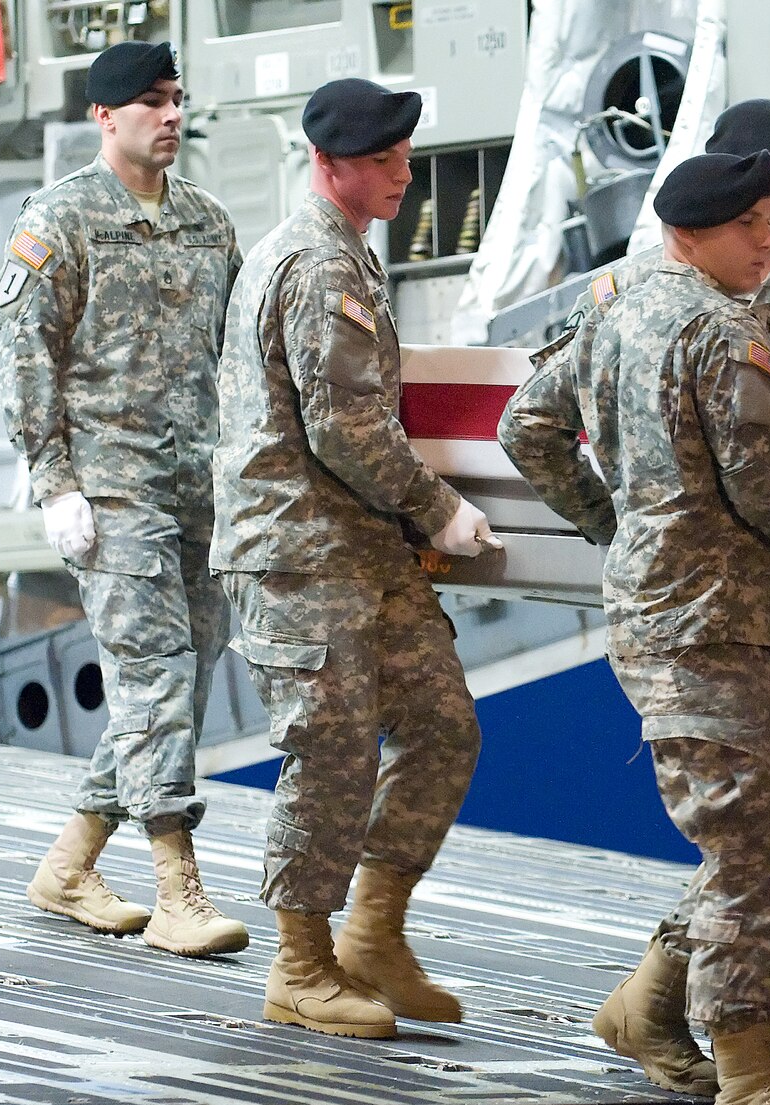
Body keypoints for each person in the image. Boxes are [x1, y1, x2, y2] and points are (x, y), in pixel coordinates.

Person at [510, 149, 770, 1105]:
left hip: (696, 612)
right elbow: (766, 479)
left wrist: (614, 522)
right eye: (750, 228)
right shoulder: (720, 331)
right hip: (709, 620)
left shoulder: (619, 308)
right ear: (692, 234)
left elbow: (526, 426)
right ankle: (746, 1087)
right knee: (755, 848)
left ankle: (648, 1006)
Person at [213, 78, 500, 1039]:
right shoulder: (317, 266)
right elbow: (343, 428)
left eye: (403, 157)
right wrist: (440, 509)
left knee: (444, 724)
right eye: (383, 161)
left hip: (358, 547)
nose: (403, 174)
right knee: (329, 750)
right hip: (297, 551)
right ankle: (299, 964)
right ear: (327, 165)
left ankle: (374, 931)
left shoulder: (351, 259)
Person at [0, 40, 247, 958]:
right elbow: (25, 358)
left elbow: (232, 356)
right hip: (112, 490)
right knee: (152, 671)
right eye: (149, 102)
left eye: (177, 99)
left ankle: (70, 864)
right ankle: (177, 887)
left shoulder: (209, 223)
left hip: (199, 490)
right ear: (105, 116)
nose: (171, 115)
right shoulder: (60, 221)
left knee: (182, 672)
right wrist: (54, 483)